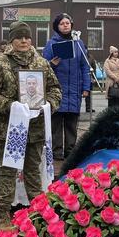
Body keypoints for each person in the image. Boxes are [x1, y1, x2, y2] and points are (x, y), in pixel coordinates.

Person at [0, 21, 62, 228]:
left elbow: (55, 89)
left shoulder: (41, 63)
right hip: (8, 129)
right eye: (19, 37)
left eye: (27, 37)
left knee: (33, 172)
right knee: (8, 172)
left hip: (34, 130)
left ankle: (37, 214)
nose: (24, 41)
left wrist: (48, 105)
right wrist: (10, 106)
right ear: (11, 40)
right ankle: (4, 214)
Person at [42, 13, 90, 159]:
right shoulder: (51, 44)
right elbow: (43, 66)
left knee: (71, 124)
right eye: (62, 23)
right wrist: (52, 64)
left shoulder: (79, 44)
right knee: (56, 123)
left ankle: (70, 151)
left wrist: (86, 87)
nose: (65, 25)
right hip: (57, 90)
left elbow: (85, 67)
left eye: (67, 23)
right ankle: (56, 152)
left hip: (75, 90)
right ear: (57, 26)